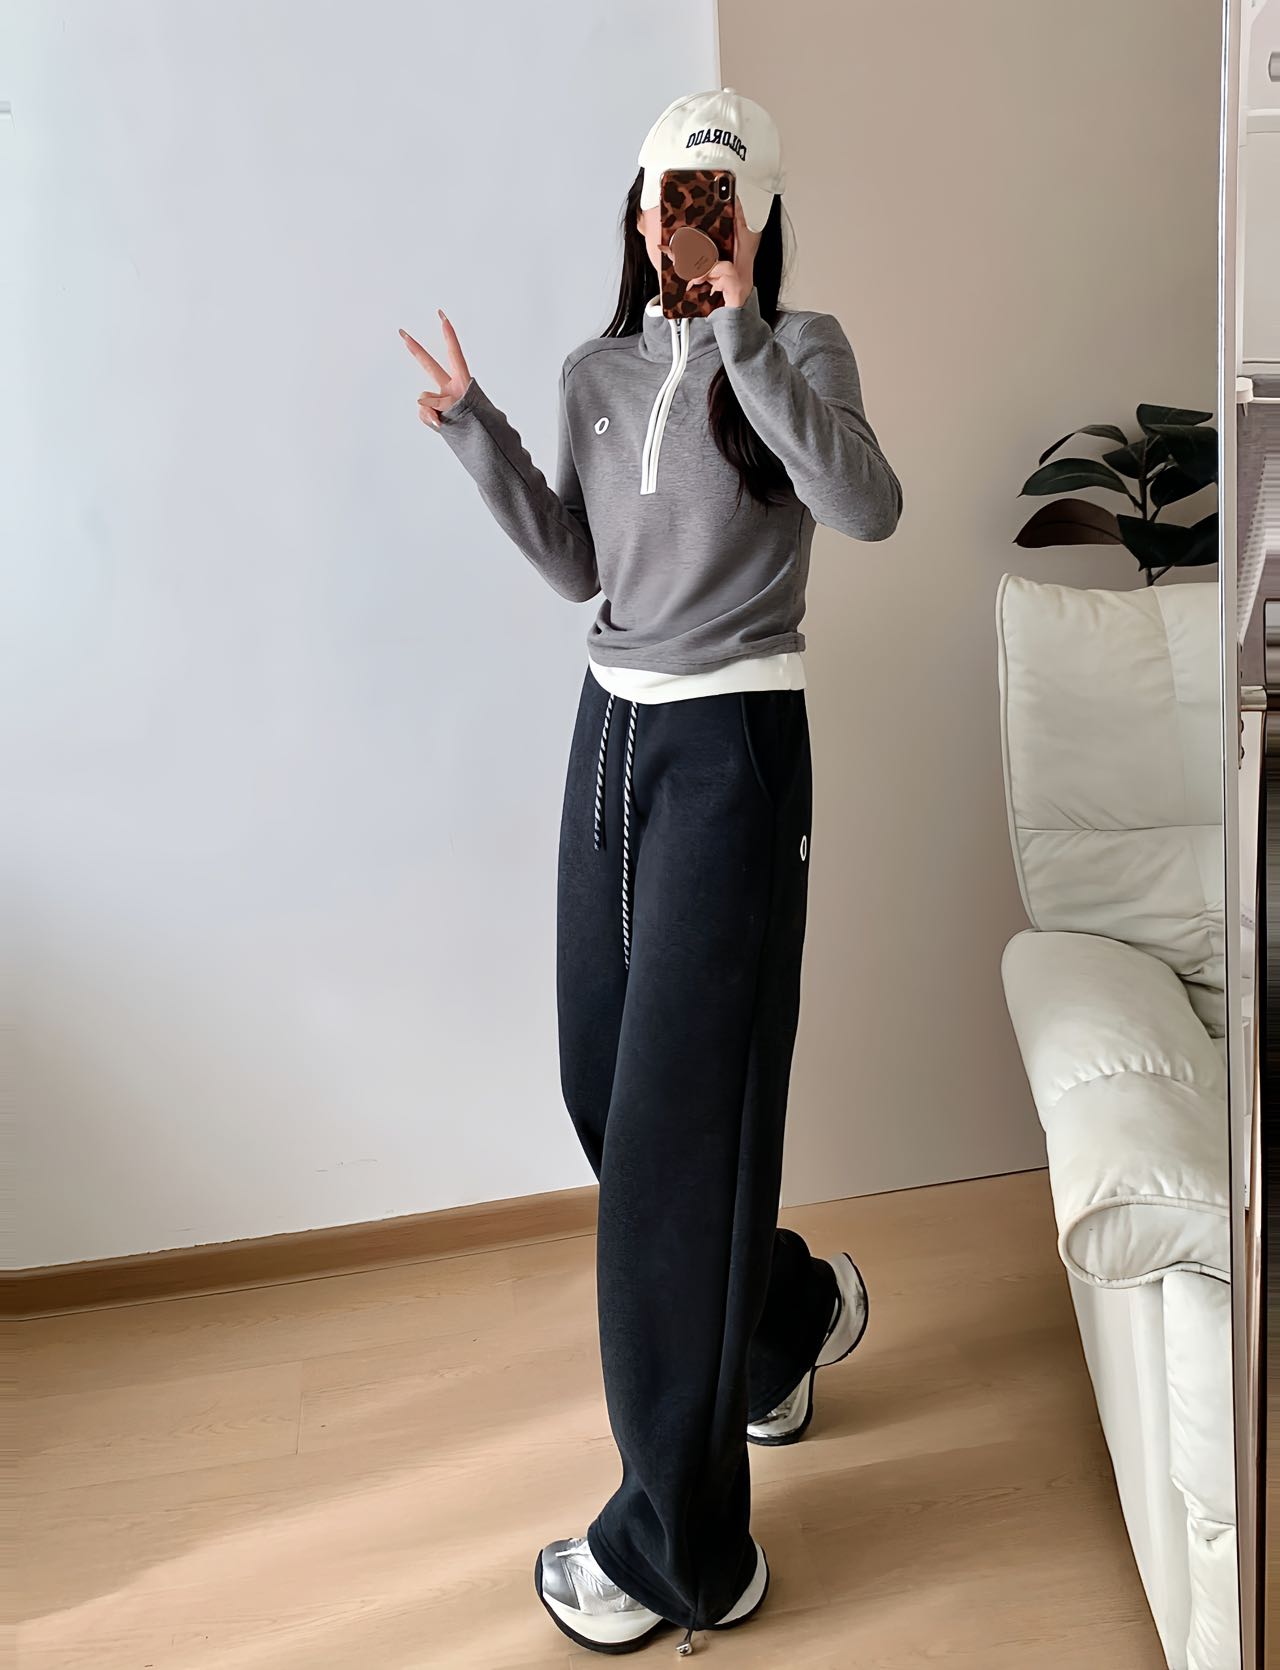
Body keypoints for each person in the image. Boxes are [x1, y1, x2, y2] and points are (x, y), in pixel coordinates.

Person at [401, 87, 902, 1657]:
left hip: (736, 747)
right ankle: (781, 1318)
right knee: (609, 1094)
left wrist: (743, 330)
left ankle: (686, 1553)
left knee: (680, 1144)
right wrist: (477, 431)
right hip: (610, 740)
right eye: (668, 194)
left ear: (754, 218)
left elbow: (869, 507)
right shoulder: (595, 372)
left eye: (715, 199)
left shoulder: (800, 349)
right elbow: (578, 565)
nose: (684, 219)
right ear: (637, 212)